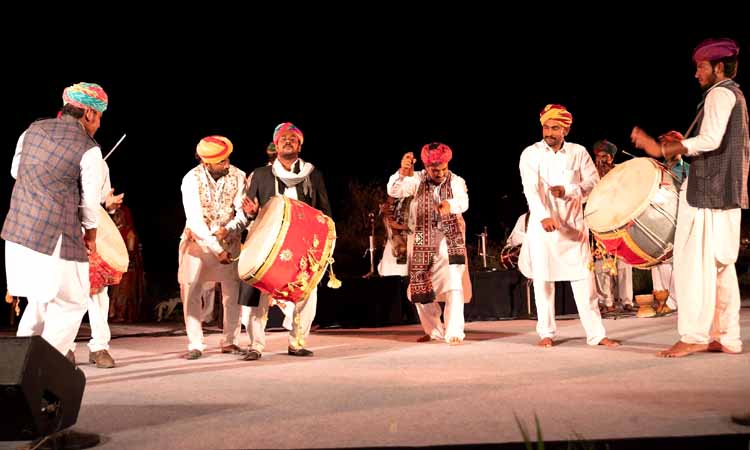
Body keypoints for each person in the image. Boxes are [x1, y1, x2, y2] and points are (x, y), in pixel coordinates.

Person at [631, 37, 748, 357]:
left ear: (718, 67)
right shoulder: (734, 95)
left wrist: (664, 149)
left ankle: (695, 334)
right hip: (727, 193)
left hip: (707, 193)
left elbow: (710, 140)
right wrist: (686, 142)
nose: (696, 74)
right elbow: (716, 141)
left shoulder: (720, 93)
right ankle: (725, 336)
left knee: (693, 266)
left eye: (700, 67)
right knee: (720, 267)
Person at [3, 82, 108, 359]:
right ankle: (41, 370)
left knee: (39, 302)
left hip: (18, 234)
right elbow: (90, 202)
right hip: (55, 240)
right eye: (99, 117)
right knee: (73, 301)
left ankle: (17, 367)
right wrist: (92, 235)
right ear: (88, 113)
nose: (98, 124)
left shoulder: (31, 131)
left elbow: (16, 171)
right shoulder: (89, 149)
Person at [519, 104, 619, 348]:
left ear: (566, 129)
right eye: (546, 126)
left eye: (555, 127)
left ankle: (596, 334)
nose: (549, 132)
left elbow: (593, 183)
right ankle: (546, 333)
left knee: (585, 281)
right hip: (543, 230)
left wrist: (568, 190)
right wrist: (543, 216)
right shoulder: (530, 153)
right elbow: (530, 188)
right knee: (543, 281)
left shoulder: (579, 152)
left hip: (574, 228)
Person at [239, 122, 331, 360]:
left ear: (300, 144)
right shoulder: (260, 174)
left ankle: (297, 343)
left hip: (302, 246)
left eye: (293, 138)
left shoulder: (313, 174)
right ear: (276, 145)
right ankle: (255, 345)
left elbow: (324, 212)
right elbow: (248, 211)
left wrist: (324, 244)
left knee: (306, 292)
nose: (287, 141)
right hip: (265, 245)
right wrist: (251, 213)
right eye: (283, 138)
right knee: (257, 293)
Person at [387, 142, 471, 345]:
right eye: (435, 170)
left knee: (453, 283)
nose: (440, 173)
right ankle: (433, 330)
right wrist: (403, 172)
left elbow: (464, 202)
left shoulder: (456, 181)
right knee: (419, 284)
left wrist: (449, 204)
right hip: (421, 239)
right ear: (426, 167)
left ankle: (454, 332)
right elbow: (395, 190)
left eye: (444, 169)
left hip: (449, 239)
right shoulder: (416, 179)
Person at [178, 136, 248, 359]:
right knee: (191, 290)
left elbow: (242, 212)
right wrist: (216, 249)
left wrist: (229, 229)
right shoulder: (191, 179)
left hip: (229, 240)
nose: (226, 164)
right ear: (205, 162)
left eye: (227, 159)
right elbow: (195, 220)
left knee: (232, 292)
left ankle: (230, 341)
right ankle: (195, 344)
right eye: (221, 162)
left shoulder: (238, 175)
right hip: (198, 241)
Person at [590, 140, 633, 314]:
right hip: (599, 221)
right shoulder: (591, 173)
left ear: (612, 157)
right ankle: (606, 300)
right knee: (601, 263)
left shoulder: (620, 172)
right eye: (597, 157)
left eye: (604, 157)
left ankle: (626, 300)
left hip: (620, 220)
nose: (600, 160)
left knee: (623, 261)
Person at [650, 152, 689, 316]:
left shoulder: (688, 169)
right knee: (655, 261)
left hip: (679, 217)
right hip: (659, 217)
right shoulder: (659, 168)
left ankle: (674, 301)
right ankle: (661, 299)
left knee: (669, 260)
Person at [378, 153, 415, 277]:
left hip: (411, 241)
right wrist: (385, 213)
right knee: (390, 272)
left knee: (407, 274)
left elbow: (420, 223)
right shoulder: (396, 196)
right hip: (394, 242)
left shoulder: (416, 194)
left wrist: (400, 226)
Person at [109, 204, 145, 323]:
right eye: (116, 215)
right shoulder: (114, 231)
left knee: (123, 291)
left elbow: (130, 252)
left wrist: (127, 260)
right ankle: (114, 314)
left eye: (119, 215)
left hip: (126, 267)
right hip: (115, 265)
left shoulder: (128, 232)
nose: (116, 218)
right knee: (115, 290)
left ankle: (122, 314)